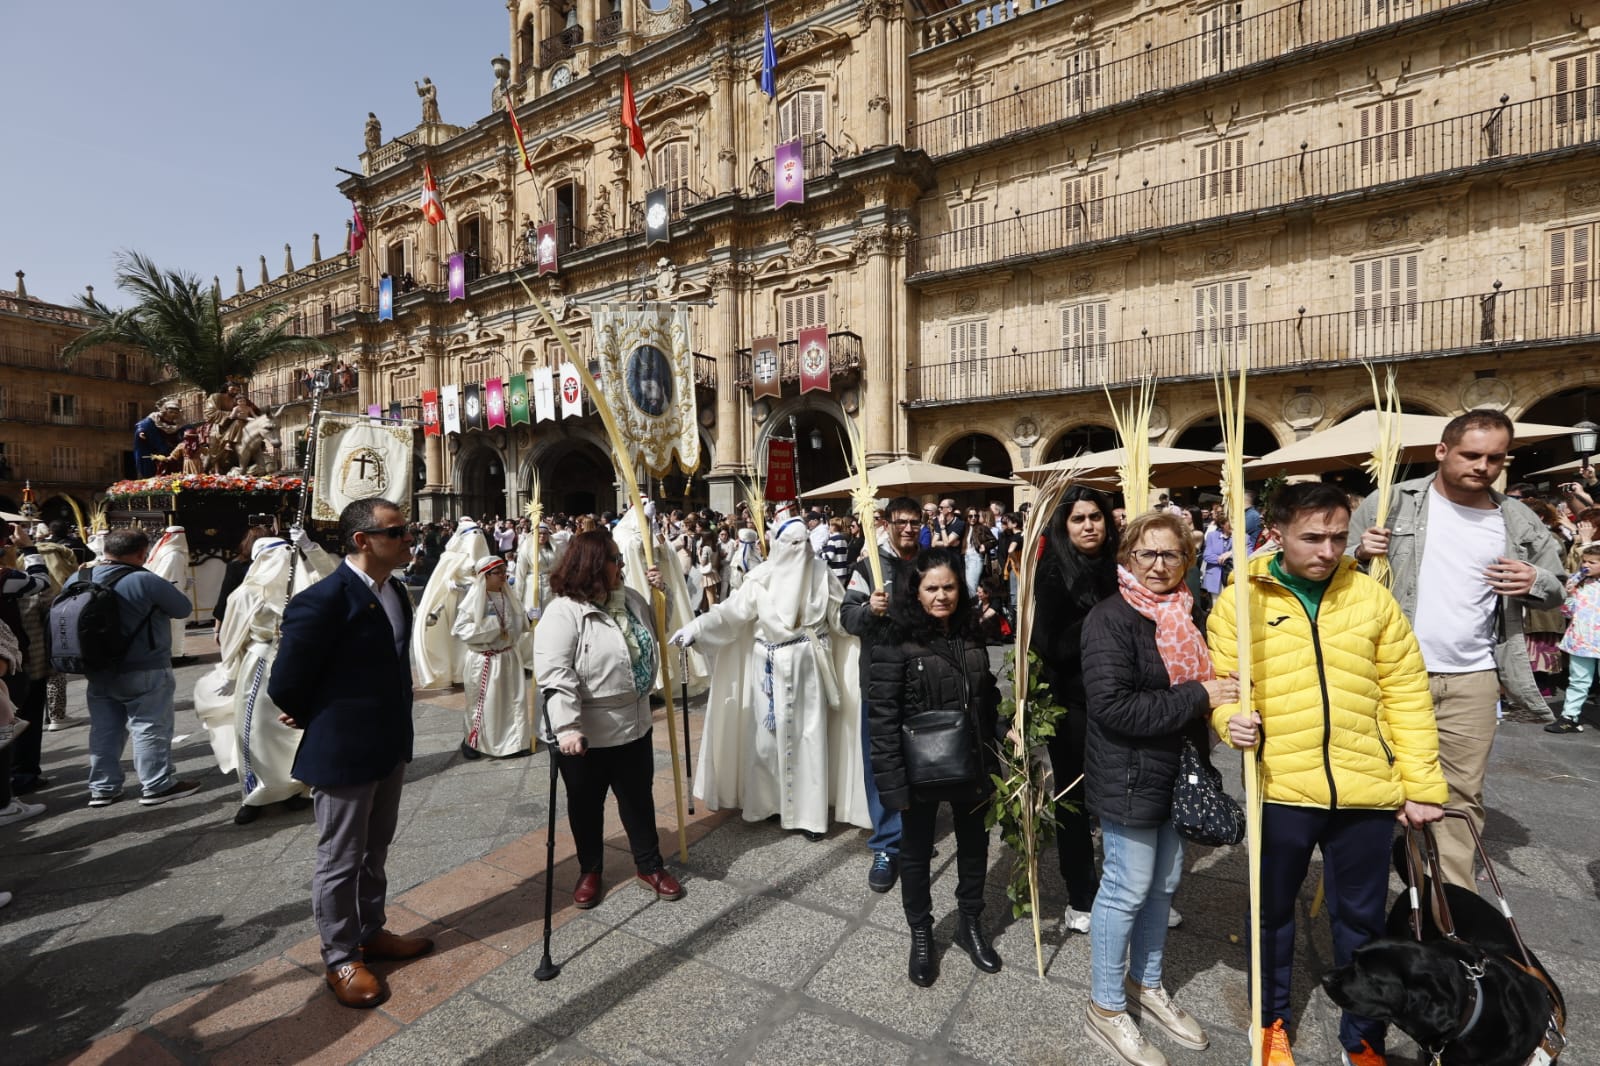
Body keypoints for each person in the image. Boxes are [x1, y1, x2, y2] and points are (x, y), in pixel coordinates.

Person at [1211, 481, 1449, 1066]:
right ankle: (1269, 1025)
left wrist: (1420, 786)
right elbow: (1224, 683)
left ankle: (1363, 1037)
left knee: (1362, 921)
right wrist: (1228, 720)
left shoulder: (1371, 598)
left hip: (1365, 790)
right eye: (1312, 537)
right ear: (1279, 534)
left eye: (1338, 537)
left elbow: (1406, 693)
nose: (1327, 550)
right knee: (1269, 914)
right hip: (1283, 787)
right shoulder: (1241, 601)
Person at [1349, 409, 1564, 888]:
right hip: (1387, 673)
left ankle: (1449, 915)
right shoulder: (1390, 504)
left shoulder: (1516, 517)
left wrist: (1536, 580)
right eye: (1471, 454)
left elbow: (1558, 585)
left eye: (1495, 457)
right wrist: (1358, 554)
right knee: (1373, 790)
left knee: (1459, 797)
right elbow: (1323, 566)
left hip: (1473, 676)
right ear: (1442, 451)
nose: (1483, 466)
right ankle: (1368, 901)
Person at [1079, 512, 1235, 1066]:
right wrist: (1201, 695)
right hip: (1128, 775)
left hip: (1178, 773)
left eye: (1171, 555)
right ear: (1127, 558)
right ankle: (1103, 1005)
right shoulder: (1110, 619)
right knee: (1126, 885)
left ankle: (1146, 983)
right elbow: (1114, 706)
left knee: (1165, 884)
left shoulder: (1187, 615)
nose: (1158, 565)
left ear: (1188, 562)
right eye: (1146, 553)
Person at [268, 498, 433, 1009]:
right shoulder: (321, 599)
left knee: (375, 849)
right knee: (340, 858)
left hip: (388, 742)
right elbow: (287, 681)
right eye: (398, 532)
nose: (409, 539)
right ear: (362, 541)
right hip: (343, 748)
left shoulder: (395, 592)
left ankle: (371, 930)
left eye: (408, 530)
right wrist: (315, 711)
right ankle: (340, 955)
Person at [672, 515, 869, 839]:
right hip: (768, 669)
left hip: (809, 669)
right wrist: (695, 627)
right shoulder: (760, 578)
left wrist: (866, 618)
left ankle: (809, 815)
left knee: (809, 738)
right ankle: (768, 804)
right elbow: (730, 614)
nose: (799, 550)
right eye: (792, 544)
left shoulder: (822, 576)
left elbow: (840, 618)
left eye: (804, 542)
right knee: (765, 740)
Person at [867, 547, 1004, 987]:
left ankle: (969, 922)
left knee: (974, 846)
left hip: (972, 760)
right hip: (919, 766)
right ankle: (921, 932)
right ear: (915, 591)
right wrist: (893, 788)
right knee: (915, 853)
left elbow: (986, 693)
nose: (941, 596)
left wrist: (1003, 731)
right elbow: (882, 719)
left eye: (949, 587)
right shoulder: (894, 639)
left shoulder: (971, 633)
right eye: (932, 588)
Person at [534, 530, 684, 910]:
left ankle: (649, 865)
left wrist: (660, 595)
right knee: (586, 804)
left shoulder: (631, 599)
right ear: (593, 566)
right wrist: (567, 727)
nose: (621, 565)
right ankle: (591, 870)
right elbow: (555, 674)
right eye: (615, 559)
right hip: (585, 732)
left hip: (634, 721)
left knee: (637, 797)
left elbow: (658, 634)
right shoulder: (563, 611)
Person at [198, 529, 334, 824]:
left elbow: (230, 637)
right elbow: (233, 636)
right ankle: (268, 790)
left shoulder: (298, 586)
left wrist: (312, 549)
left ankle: (295, 787)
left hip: (279, 661)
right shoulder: (257, 591)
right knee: (263, 729)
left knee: (281, 728)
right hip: (279, 663)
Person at [1031, 486, 1119, 934]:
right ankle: (1081, 893)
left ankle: (1128, 888)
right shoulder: (1051, 574)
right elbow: (1047, 645)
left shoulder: (1125, 568)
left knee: (1125, 798)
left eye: (1096, 517)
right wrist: (1104, 618)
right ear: (1064, 527)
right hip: (1071, 706)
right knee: (1073, 802)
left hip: (1124, 703)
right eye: (1079, 519)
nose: (1089, 526)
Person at [66, 529, 199, 808]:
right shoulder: (144, 579)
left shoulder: (78, 578)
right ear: (142, 553)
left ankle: (103, 788)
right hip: (145, 665)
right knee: (149, 725)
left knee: (104, 729)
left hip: (97, 667)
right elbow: (182, 609)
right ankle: (157, 784)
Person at [841, 496, 926, 893]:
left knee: (921, 758)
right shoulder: (866, 567)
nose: (908, 528)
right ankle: (887, 844)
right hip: (878, 679)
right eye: (902, 522)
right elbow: (846, 619)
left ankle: (917, 831)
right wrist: (869, 611)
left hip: (922, 679)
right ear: (887, 523)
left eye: (915, 522)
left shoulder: (931, 563)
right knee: (881, 762)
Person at [454, 556, 533, 759]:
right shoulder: (474, 599)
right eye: (498, 573)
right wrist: (493, 627)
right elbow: (461, 629)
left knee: (512, 703)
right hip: (485, 660)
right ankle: (473, 741)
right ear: (485, 576)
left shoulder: (509, 597)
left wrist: (529, 619)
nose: (503, 576)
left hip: (508, 657)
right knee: (483, 704)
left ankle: (513, 742)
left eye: (504, 571)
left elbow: (520, 624)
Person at [412, 515, 491, 689]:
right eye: (472, 534)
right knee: (458, 637)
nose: (475, 537)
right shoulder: (451, 556)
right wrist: (451, 583)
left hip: (479, 600)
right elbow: (442, 578)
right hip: (458, 601)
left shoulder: (484, 558)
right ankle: (457, 672)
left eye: (478, 533)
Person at [1547, 541, 1600, 734]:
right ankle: (1569, 717)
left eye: (1593, 562)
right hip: (1582, 640)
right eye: (1585, 561)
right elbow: (1568, 612)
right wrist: (1569, 595)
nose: (1586, 565)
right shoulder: (1579, 583)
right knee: (1578, 680)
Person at [145, 526, 195, 662]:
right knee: (174, 626)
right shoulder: (174, 555)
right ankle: (175, 655)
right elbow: (171, 577)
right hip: (172, 594)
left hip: (168, 592)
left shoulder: (164, 550)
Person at [133, 402, 183, 478]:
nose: (173, 414)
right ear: (165, 411)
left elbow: (185, 430)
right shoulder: (154, 419)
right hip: (155, 449)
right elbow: (142, 425)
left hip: (171, 450)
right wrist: (141, 432)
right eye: (171, 412)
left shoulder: (179, 423)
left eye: (176, 413)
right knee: (157, 469)